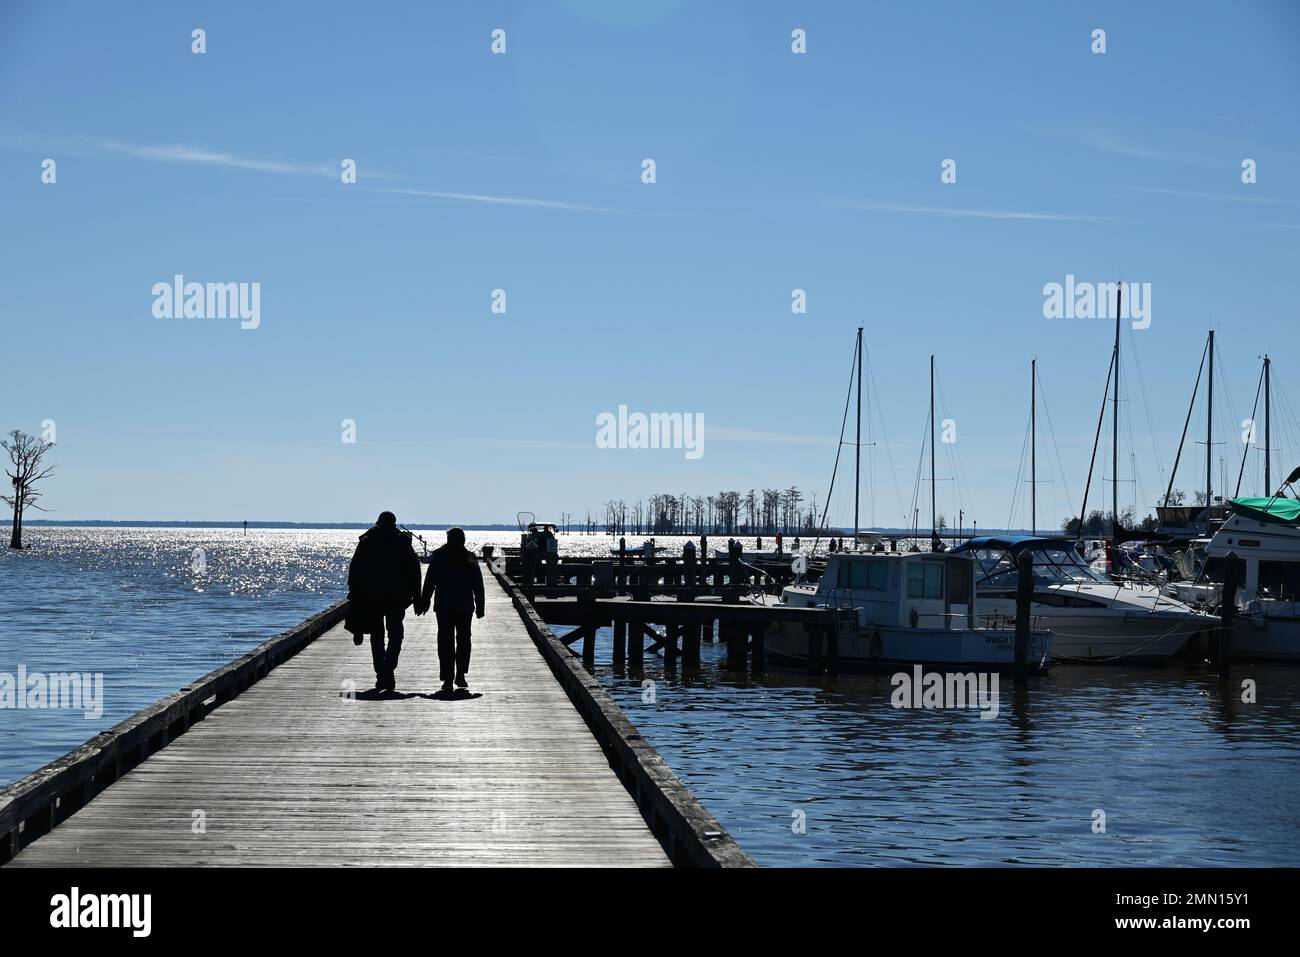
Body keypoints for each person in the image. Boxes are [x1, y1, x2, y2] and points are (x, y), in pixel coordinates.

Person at [347, 511, 421, 692]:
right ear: (394, 523)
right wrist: (417, 596)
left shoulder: (367, 541)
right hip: (397, 596)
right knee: (395, 634)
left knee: (377, 636)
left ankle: (382, 673)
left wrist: (354, 592)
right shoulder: (402, 542)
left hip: (372, 596)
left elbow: (355, 569)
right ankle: (388, 667)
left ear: (379, 523)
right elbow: (414, 570)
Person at [416, 527, 485, 693]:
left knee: (445, 641)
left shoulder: (439, 556)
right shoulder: (469, 557)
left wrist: (424, 601)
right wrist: (480, 606)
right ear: (463, 539)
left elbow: (430, 581)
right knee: (463, 640)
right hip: (464, 605)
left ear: (448, 539)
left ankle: (447, 678)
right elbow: (478, 584)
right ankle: (460, 675)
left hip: (444, 605)